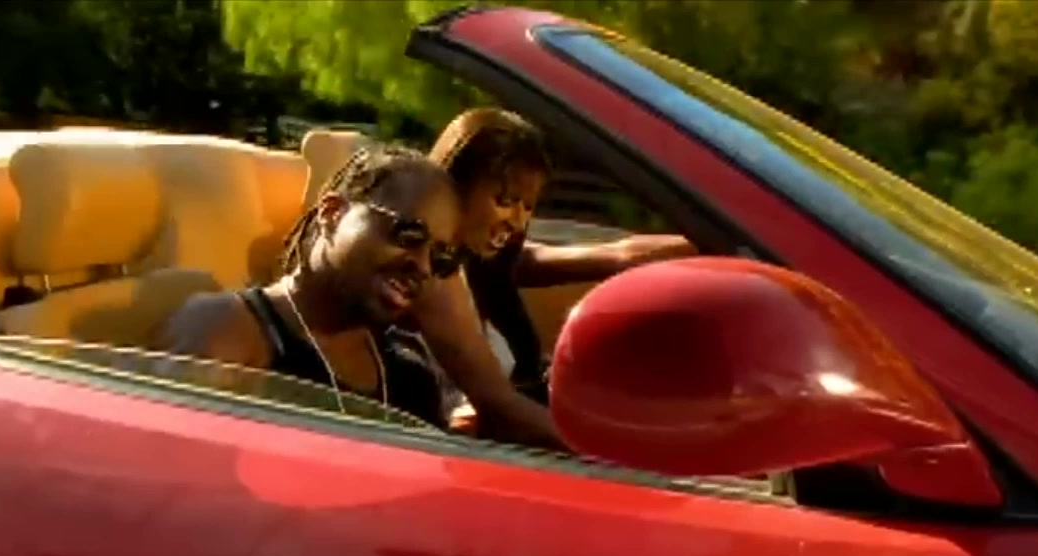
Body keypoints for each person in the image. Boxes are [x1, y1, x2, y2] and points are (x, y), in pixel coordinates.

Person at [406, 108, 697, 444]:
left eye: (528, 206)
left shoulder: (487, 266)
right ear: (454, 185)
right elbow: (500, 407)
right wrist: (621, 452)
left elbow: (617, 254)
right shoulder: (420, 277)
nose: (517, 221)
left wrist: (716, 244)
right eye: (505, 200)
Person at [159, 143, 462, 429]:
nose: (423, 267)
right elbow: (166, 454)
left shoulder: (410, 377)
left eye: (440, 257)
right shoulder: (227, 330)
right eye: (409, 236)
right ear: (332, 214)